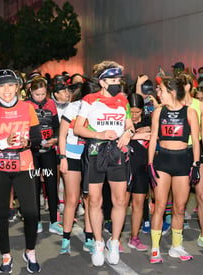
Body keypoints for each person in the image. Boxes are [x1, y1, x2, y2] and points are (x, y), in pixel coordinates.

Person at [0, 69, 42, 273]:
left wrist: (28, 142)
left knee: (31, 213)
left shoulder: (28, 108)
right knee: (1, 214)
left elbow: (37, 139)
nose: (7, 90)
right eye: (2, 86)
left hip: (24, 166)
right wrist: (5, 143)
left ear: (18, 87)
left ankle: (30, 251)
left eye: (11, 85)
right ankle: (6, 256)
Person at [74, 61, 134, 266]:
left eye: (119, 80)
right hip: (94, 153)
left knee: (119, 200)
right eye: (113, 80)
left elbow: (130, 125)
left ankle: (115, 241)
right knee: (94, 200)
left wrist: (128, 133)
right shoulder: (90, 100)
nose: (117, 83)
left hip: (117, 153)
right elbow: (78, 129)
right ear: (102, 82)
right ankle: (98, 242)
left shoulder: (123, 100)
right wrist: (98, 134)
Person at [147, 76, 200, 263]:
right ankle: (155, 248)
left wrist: (196, 164)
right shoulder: (158, 112)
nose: (158, 93)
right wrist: (150, 164)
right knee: (159, 206)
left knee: (179, 207)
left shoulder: (190, 112)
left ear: (171, 92)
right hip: (162, 162)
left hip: (183, 162)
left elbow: (196, 141)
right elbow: (153, 138)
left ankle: (176, 247)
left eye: (160, 90)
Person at [59, 79, 99, 255]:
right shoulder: (73, 107)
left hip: (92, 156)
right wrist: (63, 157)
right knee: (72, 199)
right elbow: (61, 135)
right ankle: (66, 238)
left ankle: (89, 237)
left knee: (90, 199)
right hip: (72, 156)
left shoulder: (99, 107)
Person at [179, 73, 203, 253]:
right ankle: (175, 233)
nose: (182, 87)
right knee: (178, 197)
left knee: (202, 196)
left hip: (197, 152)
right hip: (177, 153)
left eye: (184, 84)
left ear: (190, 86)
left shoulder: (201, 106)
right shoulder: (172, 105)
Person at [26, 76, 61, 235]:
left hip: (48, 152)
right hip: (32, 153)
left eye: (43, 94)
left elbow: (57, 126)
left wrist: (55, 139)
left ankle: (54, 220)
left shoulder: (51, 103)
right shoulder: (25, 105)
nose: (40, 97)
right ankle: (36, 221)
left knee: (51, 185)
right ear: (31, 92)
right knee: (33, 187)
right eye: (37, 94)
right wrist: (33, 142)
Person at [125, 93, 151, 253]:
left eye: (137, 112)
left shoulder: (149, 121)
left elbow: (153, 132)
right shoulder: (122, 120)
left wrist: (134, 135)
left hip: (142, 169)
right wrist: (137, 134)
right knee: (121, 204)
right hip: (123, 169)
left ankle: (134, 237)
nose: (134, 116)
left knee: (139, 204)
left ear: (143, 110)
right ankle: (115, 239)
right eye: (131, 112)